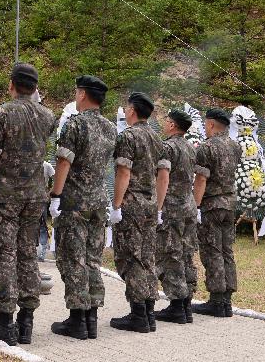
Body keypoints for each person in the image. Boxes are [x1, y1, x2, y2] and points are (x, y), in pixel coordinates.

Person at [0, 63, 56, 346]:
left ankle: (4, 323)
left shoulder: (2, 114)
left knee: (4, 254)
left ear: (12, 84)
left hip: (5, 196)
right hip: (35, 197)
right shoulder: (48, 116)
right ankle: (27, 322)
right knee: (27, 255)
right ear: (35, 88)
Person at [48, 75, 116, 340]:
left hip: (75, 201)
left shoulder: (74, 125)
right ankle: (92, 318)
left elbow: (64, 163)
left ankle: (77, 320)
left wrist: (56, 195)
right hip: (100, 200)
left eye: (77, 92)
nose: (75, 96)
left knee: (72, 258)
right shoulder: (110, 128)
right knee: (92, 259)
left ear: (83, 95)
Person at [107, 92, 167, 333]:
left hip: (131, 204)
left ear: (132, 111)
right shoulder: (157, 139)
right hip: (151, 204)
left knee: (131, 258)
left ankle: (138, 314)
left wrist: (116, 205)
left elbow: (123, 173)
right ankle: (149, 311)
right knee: (147, 257)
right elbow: (163, 176)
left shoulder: (128, 137)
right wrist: (159, 206)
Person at [191, 108, 242, 318]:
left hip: (211, 204)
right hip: (230, 203)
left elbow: (201, 179)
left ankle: (216, 300)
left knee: (212, 251)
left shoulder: (206, 147)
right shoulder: (235, 146)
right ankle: (227, 299)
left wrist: (195, 206)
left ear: (211, 124)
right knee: (226, 250)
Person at [153, 109, 198, 325]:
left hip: (171, 207)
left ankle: (177, 305)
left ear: (172, 125)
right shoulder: (190, 147)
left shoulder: (167, 147)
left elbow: (163, 178)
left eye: (166, 121)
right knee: (186, 253)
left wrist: (158, 209)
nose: (164, 124)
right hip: (188, 205)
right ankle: (187, 301)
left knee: (170, 254)